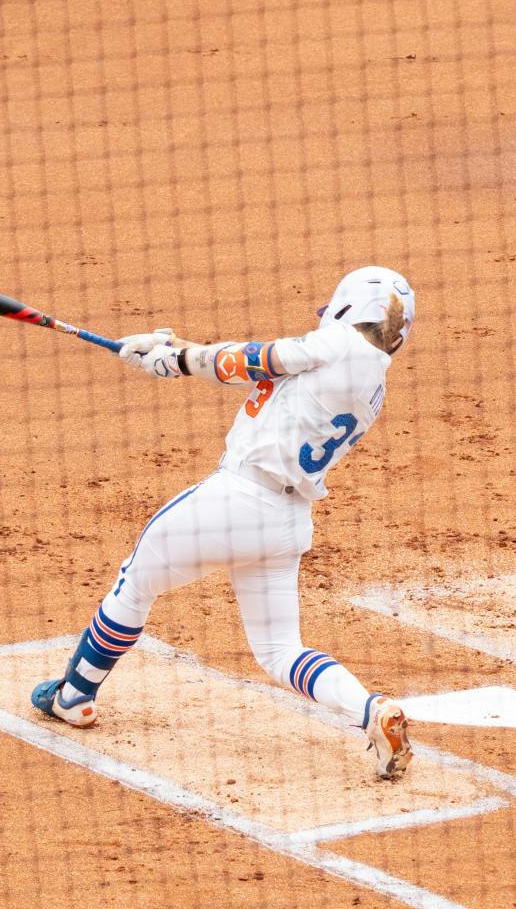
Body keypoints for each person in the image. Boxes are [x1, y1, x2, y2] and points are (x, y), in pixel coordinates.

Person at [29, 267, 418, 781]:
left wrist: (179, 362)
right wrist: (171, 348)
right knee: (281, 651)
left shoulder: (336, 344)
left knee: (134, 586)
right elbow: (267, 370)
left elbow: (254, 359)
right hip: (286, 523)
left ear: (350, 309)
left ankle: (74, 696)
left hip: (234, 501)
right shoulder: (371, 385)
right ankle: (372, 710)